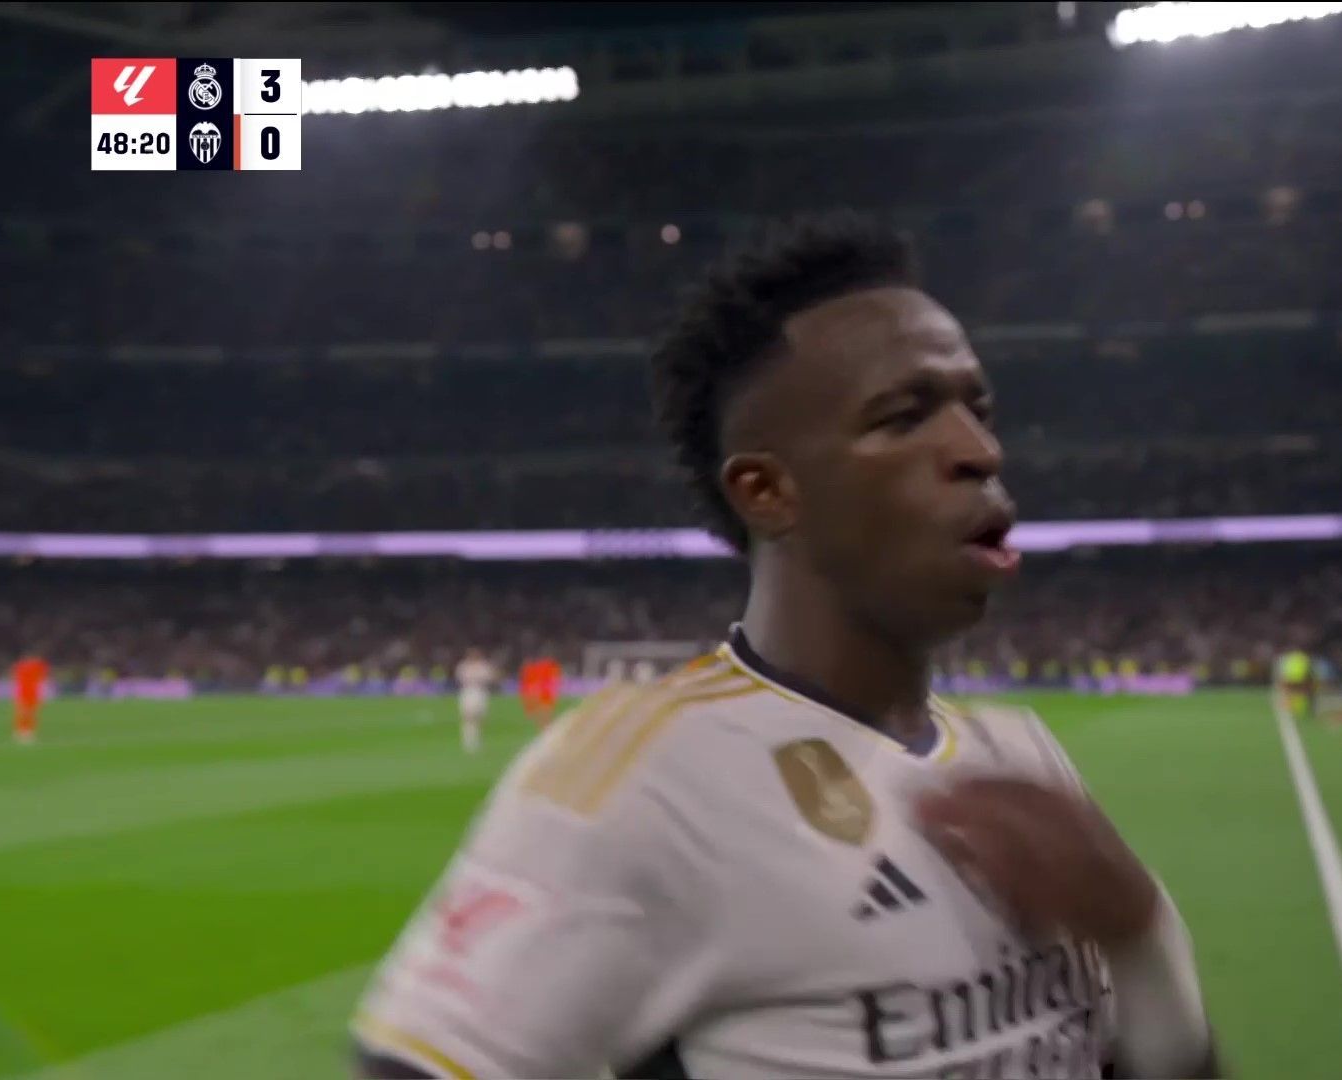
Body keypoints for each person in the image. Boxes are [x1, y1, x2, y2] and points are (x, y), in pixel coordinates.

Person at [350, 214, 1220, 1080]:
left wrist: (1141, 934)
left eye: (978, 409)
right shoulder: (648, 783)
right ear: (767, 490)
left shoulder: (1020, 752)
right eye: (905, 416)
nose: (980, 451)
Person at [454, 648, 497, 754]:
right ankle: (469, 742)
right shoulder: (463, 666)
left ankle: (477, 740)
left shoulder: (483, 666)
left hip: (481, 692)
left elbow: (491, 678)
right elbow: (460, 678)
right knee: (468, 717)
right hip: (468, 691)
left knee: (479, 717)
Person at [10, 654, 48, 745]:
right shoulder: (24, 668)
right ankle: (22, 731)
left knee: (30, 713)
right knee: (25, 713)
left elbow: (41, 679)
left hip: (31, 694)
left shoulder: (33, 668)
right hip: (25, 694)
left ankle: (27, 731)